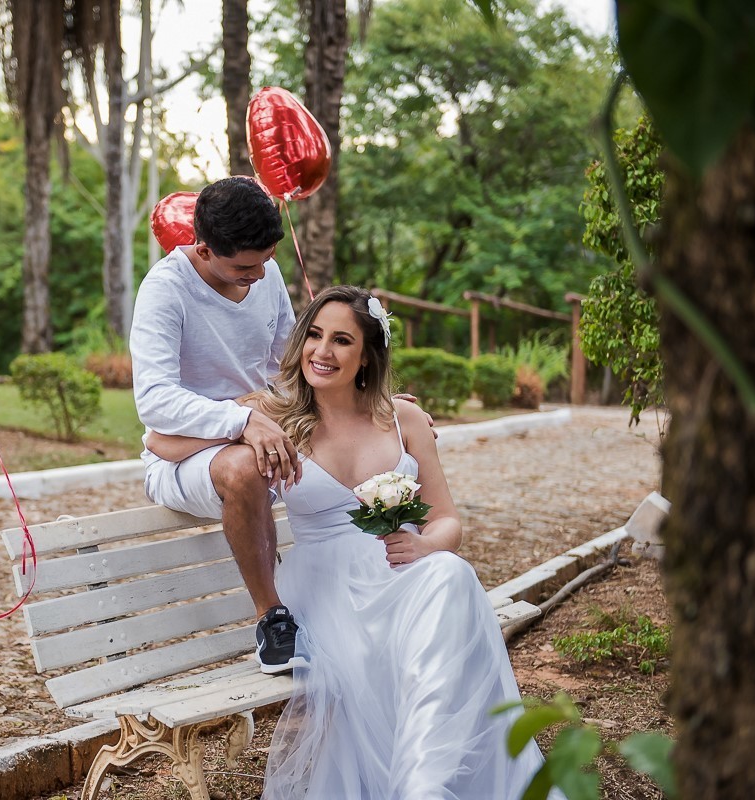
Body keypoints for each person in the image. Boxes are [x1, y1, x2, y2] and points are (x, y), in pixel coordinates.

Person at [148, 285, 559, 799]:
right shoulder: (273, 413)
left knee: (451, 574)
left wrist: (428, 546)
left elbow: (447, 520)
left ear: (367, 356)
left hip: (402, 572)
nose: (322, 351)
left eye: (342, 340)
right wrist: (246, 427)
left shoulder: (403, 419)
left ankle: (426, 784)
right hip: (326, 586)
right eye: (314, 336)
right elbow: (159, 439)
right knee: (434, 611)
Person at [129, 176, 306, 674]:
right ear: (203, 249)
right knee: (246, 467)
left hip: (260, 424)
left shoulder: (264, 273)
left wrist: (369, 402)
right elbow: (155, 400)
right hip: (189, 460)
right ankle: (273, 619)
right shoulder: (165, 290)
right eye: (244, 268)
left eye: (267, 260)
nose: (259, 275)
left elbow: (289, 365)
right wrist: (241, 418)